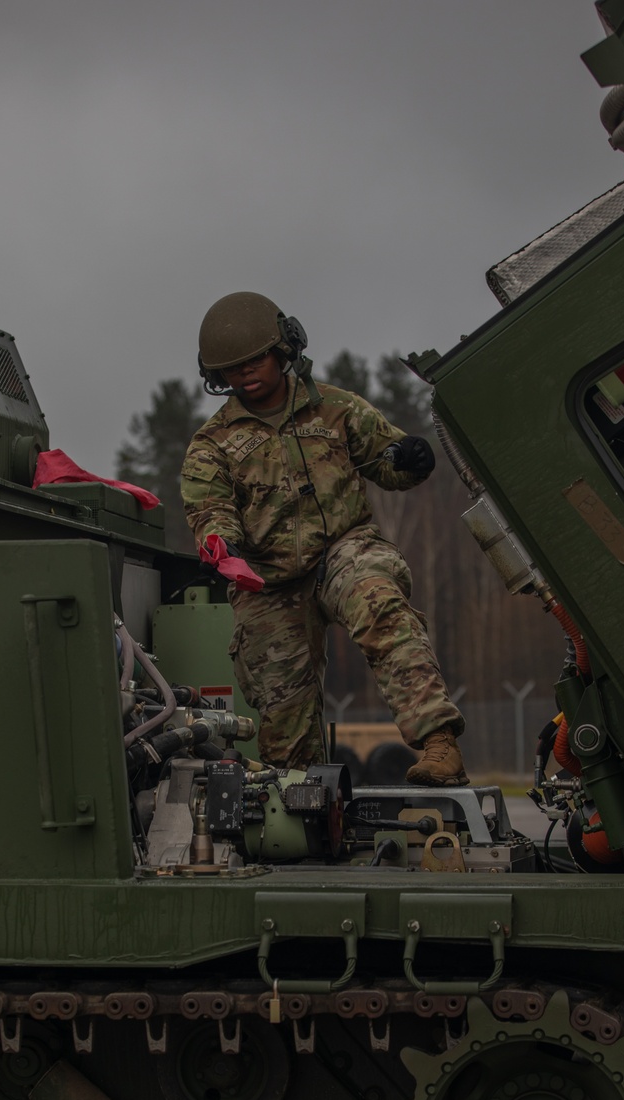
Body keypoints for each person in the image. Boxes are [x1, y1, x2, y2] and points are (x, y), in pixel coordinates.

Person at [180, 291, 467, 786]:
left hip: (344, 550)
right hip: (266, 578)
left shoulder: (336, 410)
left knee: (378, 603)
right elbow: (211, 509)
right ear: (216, 376)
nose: (246, 373)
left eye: (256, 359)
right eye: (232, 368)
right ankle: (301, 807)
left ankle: (439, 743)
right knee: (283, 717)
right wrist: (220, 546)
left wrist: (410, 458)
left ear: (283, 349)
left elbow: (386, 461)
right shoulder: (213, 444)